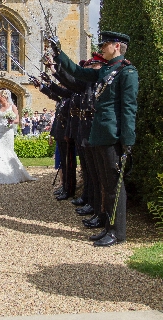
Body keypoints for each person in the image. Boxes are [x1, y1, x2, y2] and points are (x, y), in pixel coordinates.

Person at [50, 30, 138, 246]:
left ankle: (118, 232)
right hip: (98, 133)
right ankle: (108, 227)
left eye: (105, 44)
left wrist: (127, 140)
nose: (101, 48)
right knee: (105, 184)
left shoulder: (126, 72)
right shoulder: (106, 70)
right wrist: (59, 53)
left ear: (117, 46)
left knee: (114, 185)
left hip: (112, 135)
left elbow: (128, 109)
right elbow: (78, 72)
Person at [0, 89, 35, 184]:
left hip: (8, 132)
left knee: (8, 151)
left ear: (5, 97)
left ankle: (10, 174)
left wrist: (11, 122)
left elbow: (18, 119)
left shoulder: (12, 107)